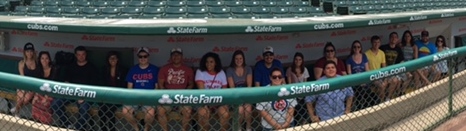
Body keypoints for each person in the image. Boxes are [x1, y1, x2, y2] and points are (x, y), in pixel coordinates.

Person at [51, 46, 98, 130]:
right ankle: (68, 124)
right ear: (76, 55)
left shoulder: (92, 67)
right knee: (55, 103)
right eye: (79, 55)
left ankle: (78, 128)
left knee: (84, 108)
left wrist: (84, 96)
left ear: (86, 55)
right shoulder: (71, 66)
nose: (81, 56)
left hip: (85, 94)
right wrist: (68, 91)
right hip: (71, 92)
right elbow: (66, 81)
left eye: (83, 54)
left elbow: (93, 86)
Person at [123, 47, 159, 131]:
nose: (143, 58)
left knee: (150, 113)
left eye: (145, 56)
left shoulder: (154, 69)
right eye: (140, 56)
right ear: (138, 57)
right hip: (135, 96)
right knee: (125, 111)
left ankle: (146, 129)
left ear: (148, 57)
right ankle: (137, 128)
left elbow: (157, 87)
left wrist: (152, 97)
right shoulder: (133, 69)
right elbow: (129, 87)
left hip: (149, 97)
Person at [158, 47, 194, 131]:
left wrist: (184, 93)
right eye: (174, 55)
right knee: (160, 110)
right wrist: (167, 95)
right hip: (168, 97)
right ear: (170, 57)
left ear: (182, 57)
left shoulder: (188, 69)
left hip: (182, 97)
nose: (176, 57)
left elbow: (191, 84)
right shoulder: (164, 68)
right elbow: (161, 85)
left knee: (188, 110)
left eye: (178, 55)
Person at [195, 52, 229, 131]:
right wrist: (207, 103)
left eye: (211, 62)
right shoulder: (200, 71)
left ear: (216, 63)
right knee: (204, 113)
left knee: (225, 114)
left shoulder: (221, 72)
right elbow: (201, 90)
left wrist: (219, 102)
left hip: (219, 100)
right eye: (206, 62)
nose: (208, 64)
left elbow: (224, 90)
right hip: (204, 100)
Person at [99, 51, 128, 131]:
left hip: (118, 96)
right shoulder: (104, 69)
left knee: (110, 109)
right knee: (102, 108)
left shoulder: (123, 70)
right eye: (110, 58)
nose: (112, 60)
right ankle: (103, 128)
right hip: (106, 95)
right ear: (108, 60)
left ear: (117, 59)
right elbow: (102, 84)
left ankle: (112, 129)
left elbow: (124, 85)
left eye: (114, 58)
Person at [226, 50, 253, 131]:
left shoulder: (248, 69)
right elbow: (232, 87)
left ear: (243, 59)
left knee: (248, 108)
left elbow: (249, 85)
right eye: (236, 59)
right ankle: (238, 128)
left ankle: (248, 128)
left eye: (240, 58)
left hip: (246, 95)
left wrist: (245, 98)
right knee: (240, 109)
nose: (239, 61)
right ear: (233, 60)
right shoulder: (230, 70)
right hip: (235, 96)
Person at [11, 43, 40, 116]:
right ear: (24, 52)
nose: (29, 53)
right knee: (21, 98)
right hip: (23, 84)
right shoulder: (21, 63)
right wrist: (24, 90)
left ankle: (16, 109)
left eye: (31, 51)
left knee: (26, 100)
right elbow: (22, 77)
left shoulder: (37, 62)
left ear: (33, 52)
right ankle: (17, 113)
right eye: (27, 51)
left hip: (33, 86)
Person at [32, 51, 59, 124]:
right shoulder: (38, 69)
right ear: (39, 60)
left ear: (49, 59)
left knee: (45, 103)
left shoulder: (54, 69)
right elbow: (37, 85)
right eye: (42, 58)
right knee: (36, 101)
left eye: (46, 58)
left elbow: (53, 85)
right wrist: (36, 95)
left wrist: (46, 97)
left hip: (51, 93)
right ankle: (37, 122)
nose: (44, 60)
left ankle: (45, 123)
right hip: (41, 92)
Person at [346, 40, 373, 111]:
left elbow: (367, 70)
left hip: (364, 79)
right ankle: (359, 107)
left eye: (358, 47)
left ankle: (365, 106)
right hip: (355, 80)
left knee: (365, 88)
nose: (356, 48)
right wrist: (357, 81)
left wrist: (364, 80)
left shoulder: (364, 56)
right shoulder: (349, 59)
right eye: (354, 47)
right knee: (360, 89)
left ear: (361, 48)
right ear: (352, 48)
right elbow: (349, 73)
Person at [285, 52, 309, 125]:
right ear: (294, 60)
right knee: (296, 105)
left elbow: (305, 83)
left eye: (300, 59)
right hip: (293, 92)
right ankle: (296, 122)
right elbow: (289, 84)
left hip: (302, 92)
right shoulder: (290, 69)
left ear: (302, 61)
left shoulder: (305, 69)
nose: (298, 61)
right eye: (296, 59)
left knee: (306, 101)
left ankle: (304, 121)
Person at [379, 32, 404, 101]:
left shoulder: (398, 49)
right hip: (383, 71)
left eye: (395, 37)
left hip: (394, 71)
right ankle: (382, 99)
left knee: (395, 80)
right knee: (384, 83)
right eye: (392, 37)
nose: (394, 39)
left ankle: (388, 98)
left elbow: (401, 61)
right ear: (389, 38)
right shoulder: (383, 48)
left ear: (397, 39)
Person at [365, 35, 387, 103]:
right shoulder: (366, 54)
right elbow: (367, 70)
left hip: (380, 75)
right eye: (375, 42)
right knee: (381, 86)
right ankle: (382, 102)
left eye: (378, 42)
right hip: (371, 76)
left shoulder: (382, 53)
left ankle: (386, 98)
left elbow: (384, 67)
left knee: (393, 81)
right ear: (371, 43)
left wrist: (385, 79)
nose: (376, 44)